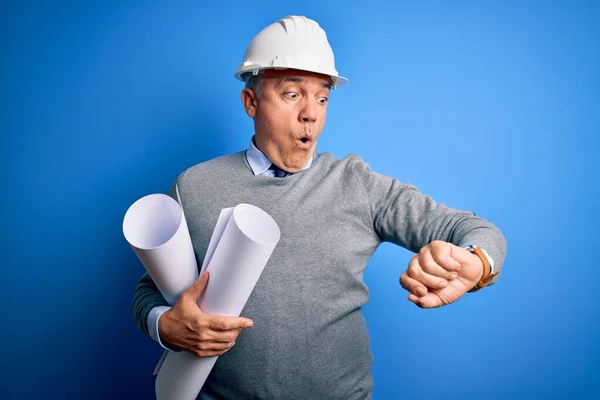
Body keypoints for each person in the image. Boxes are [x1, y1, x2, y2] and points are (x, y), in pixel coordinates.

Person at [133, 15, 507, 400]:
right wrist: (165, 325)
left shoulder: (357, 184)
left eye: (322, 97)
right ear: (251, 102)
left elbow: (477, 231)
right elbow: (151, 290)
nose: (311, 112)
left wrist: (476, 263)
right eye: (292, 94)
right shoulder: (195, 186)